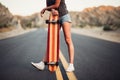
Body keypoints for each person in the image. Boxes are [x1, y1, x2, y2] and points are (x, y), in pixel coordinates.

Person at [31, 0, 75, 72]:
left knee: (68, 39)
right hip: (55, 17)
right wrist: (52, 10)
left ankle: (71, 65)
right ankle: (42, 63)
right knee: (52, 40)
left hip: (64, 16)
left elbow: (57, 5)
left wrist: (44, 9)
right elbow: (50, 7)